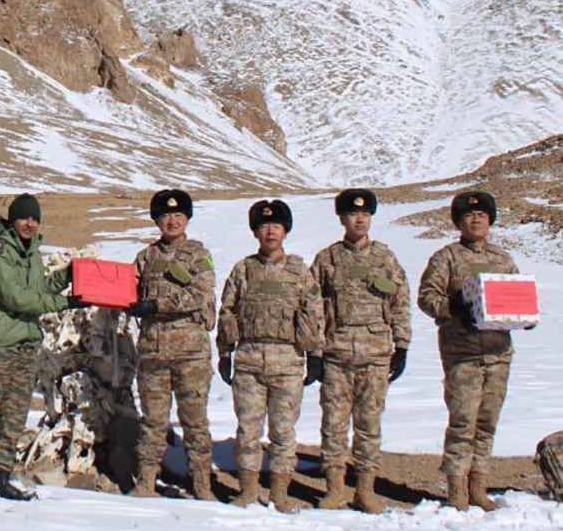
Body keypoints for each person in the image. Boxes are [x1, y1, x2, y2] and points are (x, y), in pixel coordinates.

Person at [0, 193, 84, 507]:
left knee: (13, 416)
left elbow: (38, 289)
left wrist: (68, 276)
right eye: (25, 218)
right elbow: (17, 298)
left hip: (24, 346)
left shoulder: (30, 255)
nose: (30, 224)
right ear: (12, 220)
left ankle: (0, 476)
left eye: (35, 219)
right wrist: (64, 303)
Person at [418, 191, 523, 512]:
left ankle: (479, 485)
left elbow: (517, 294)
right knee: (463, 421)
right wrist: (454, 308)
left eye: (481, 215)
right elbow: (426, 296)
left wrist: (523, 315)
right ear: (458, 222)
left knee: (487, 421)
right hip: (462, 353)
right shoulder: (446, 257)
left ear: (490, 220)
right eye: (468, 216)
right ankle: (456, 490)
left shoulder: (503, 260)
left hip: (498, 352)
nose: (476, 220)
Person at [216, 200, 323, 513]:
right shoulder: (243, 270)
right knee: (248, 430)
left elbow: (314, 313)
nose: (271, 230)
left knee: (283, 432)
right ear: (255, 231)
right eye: (264, 226)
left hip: (288, 362)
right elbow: (227, 311)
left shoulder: (299, 272)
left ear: (286, 230)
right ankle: (248, 491)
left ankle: (280, 493)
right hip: (249, 361)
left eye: (277, 225)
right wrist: (225, 353)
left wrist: (315, 354)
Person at [310, 189, 411, 513]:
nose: (360, 219)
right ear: (342, 218)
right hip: (337, 355)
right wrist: (315, 351)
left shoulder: (384, 258)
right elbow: (312, 307)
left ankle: (365, 490)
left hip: (376, 355)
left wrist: (402, 345)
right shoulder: (327, 259)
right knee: (333, 425)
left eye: (365, 214)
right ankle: (335, 489)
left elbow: (400, 300)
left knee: (369, 425)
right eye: (353, 214)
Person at [127, 189, 216, 500]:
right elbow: (128, 293)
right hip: (153, 353)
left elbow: (201, 296)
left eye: (178, 215)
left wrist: (157, 305)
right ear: (157, 221)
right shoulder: (145, 258)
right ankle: (146, 482)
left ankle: (202, 484)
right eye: (165, 216)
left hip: (191, 354)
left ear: (187, 218)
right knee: (152, 421)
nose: (172, 221)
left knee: (195, 422)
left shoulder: (197, 255)